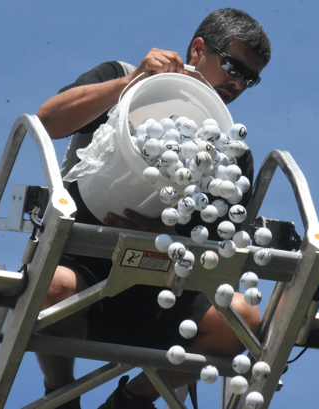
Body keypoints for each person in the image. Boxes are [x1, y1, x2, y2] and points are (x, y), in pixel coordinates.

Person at [36, 8, 271, 409]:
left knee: (242, 319)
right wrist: (130, 84)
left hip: (164, 286)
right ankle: (61, 394)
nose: (237, 82)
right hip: (84, 266)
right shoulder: (121, 77)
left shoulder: (232, 155)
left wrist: (172, 236)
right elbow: (47, 122)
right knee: (52, 287)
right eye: (233, 65)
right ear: (198, 49)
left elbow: (216, 254)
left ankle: (132, 401)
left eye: (249, 78)